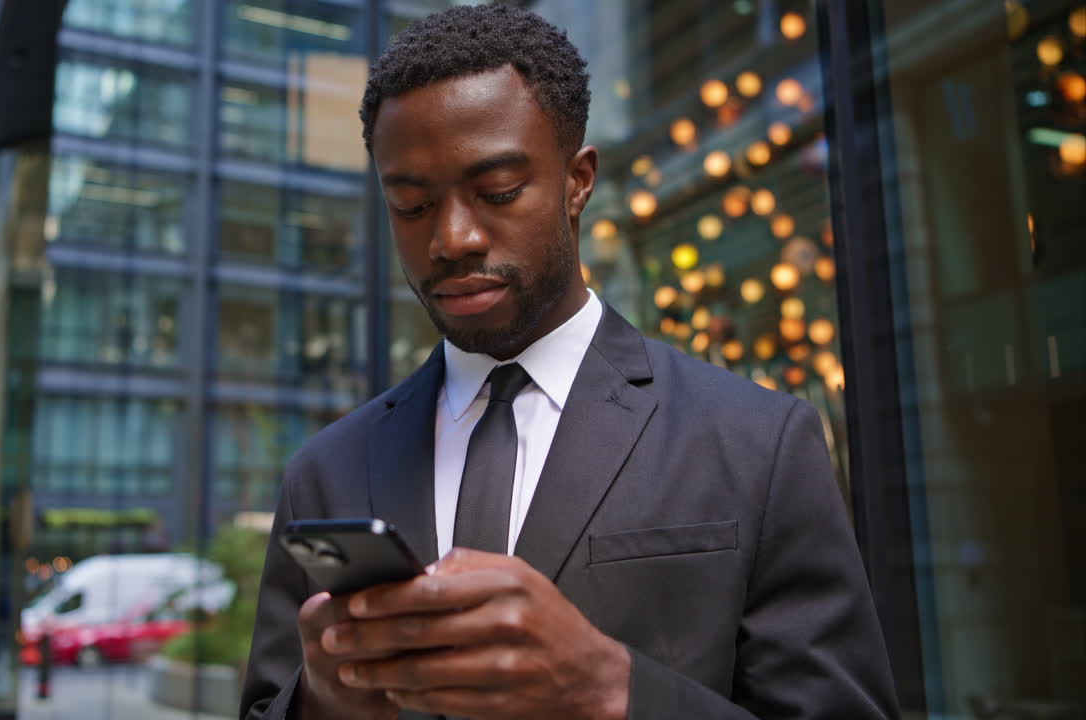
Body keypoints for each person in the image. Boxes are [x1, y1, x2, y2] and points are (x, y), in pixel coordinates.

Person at [241, 5, 898, 719]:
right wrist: (320, 703)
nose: (451, 238)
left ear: (578, 181)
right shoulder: (326, 471)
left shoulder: (758, 443)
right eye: (411, 205)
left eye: (497, 192)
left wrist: (610, 688)